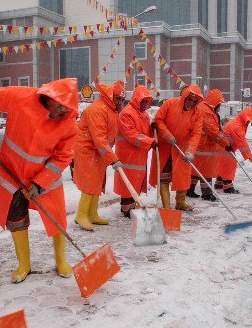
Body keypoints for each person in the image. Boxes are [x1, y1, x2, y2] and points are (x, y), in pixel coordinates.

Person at [0, 79, 78, 284]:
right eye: (60, 108)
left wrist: (40, 182)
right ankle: (24, 264)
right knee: (16, 217)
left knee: (56, 217)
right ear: (50, 99)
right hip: (13, 173)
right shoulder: (20, 97)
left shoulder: (68, 124)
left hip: (45, 178)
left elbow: (63, 157)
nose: (64, 114)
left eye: (68, 110)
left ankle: (61, 259)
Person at [73, 80, 124, 230]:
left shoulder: (110, 109)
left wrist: (108, 155)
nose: (120, 102)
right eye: (118, 98)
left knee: (97, 181)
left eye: (122, 99)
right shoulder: (98, 109)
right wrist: (113, 159)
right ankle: (81, 215)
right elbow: (99, 138)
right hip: (87, 149)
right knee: (89, 182)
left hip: (98, 150)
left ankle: (92, 214)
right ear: (110, 96)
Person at [150, 84, 204, 211]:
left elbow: (196, 134)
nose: (191, 103)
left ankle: (180, 202)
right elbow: (158, 119)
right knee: (163, 177)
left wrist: (190, 151)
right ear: (185, 97)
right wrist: (167, 134)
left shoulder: (197, 114)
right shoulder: (170, 103)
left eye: (194, 101)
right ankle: (167, 207)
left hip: (182, 149)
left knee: (183, 176)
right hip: (165, 147)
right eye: (189, 99)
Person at [113, 85, 155, 217]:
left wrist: (154, 130)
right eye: (143, 101)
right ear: (137, 100)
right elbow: (132, 134)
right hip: (128, 156)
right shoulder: (127, 113)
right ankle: (126, 208)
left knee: (135, 182)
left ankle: (131, 206)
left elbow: (145, 133)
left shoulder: (144, 115)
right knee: (128, 182)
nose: (145, 104)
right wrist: (150, 141)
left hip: (138, 156)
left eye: (147, 102)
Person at [190, 89, 231, 201]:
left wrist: (225, 139)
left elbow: (217, 129)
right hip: (204, 146)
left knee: (196, 170)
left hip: (201, 146)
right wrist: (226, 144)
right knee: (206, 170)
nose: (220, 105)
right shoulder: (206, 111)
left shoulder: (208, 109)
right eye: (219, 103)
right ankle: (207, 194)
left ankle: (190, 190)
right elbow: (213, 131)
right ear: (214, 101)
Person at [215, 108, 252, 193]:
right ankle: (228, 187)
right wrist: (249, 157)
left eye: (250, 121)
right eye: (248, 120)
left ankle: (219, 183)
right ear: (244, 117)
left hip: (222, 145)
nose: (249, 122)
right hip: (224, 146)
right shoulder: (237, 126)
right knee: (229, 164)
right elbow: (242, 143)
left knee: (222, 164)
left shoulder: (239, 122)